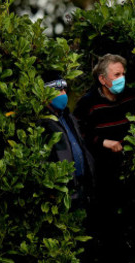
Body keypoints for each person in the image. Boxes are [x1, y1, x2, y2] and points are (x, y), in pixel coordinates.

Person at [73, 54, 135, 263]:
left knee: (129, 226)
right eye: (116, 75)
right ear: (102, 79)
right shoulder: (88, 103)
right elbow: (80, 135)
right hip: (102, 177)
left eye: (123, 74)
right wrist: (103, 142)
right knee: (105, 229)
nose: (121, 79)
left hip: (129, 173)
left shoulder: (128, 96)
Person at [42, 72, 95, 209]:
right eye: (58, 90)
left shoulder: (67, 116)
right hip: (63, 193)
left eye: (64, 89)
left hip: (81, 188)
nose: (63, 94)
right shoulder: (42, 122)